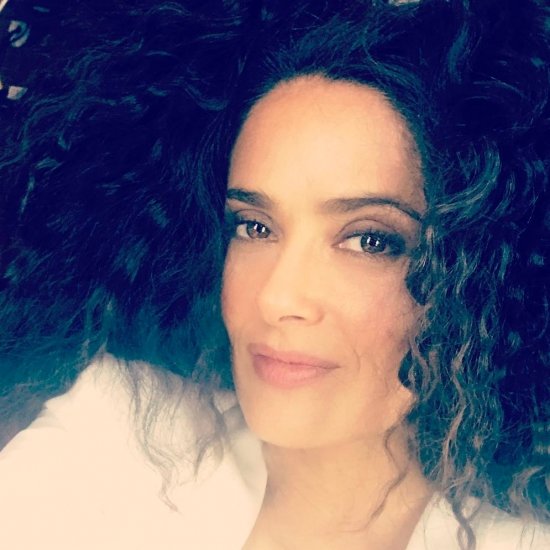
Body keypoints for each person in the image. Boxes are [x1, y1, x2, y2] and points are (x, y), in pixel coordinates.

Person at [0, 1, 548, 549]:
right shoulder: (111, 435)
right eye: (255, 227)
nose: (277, 297)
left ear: (480, 280)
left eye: (370, 240)